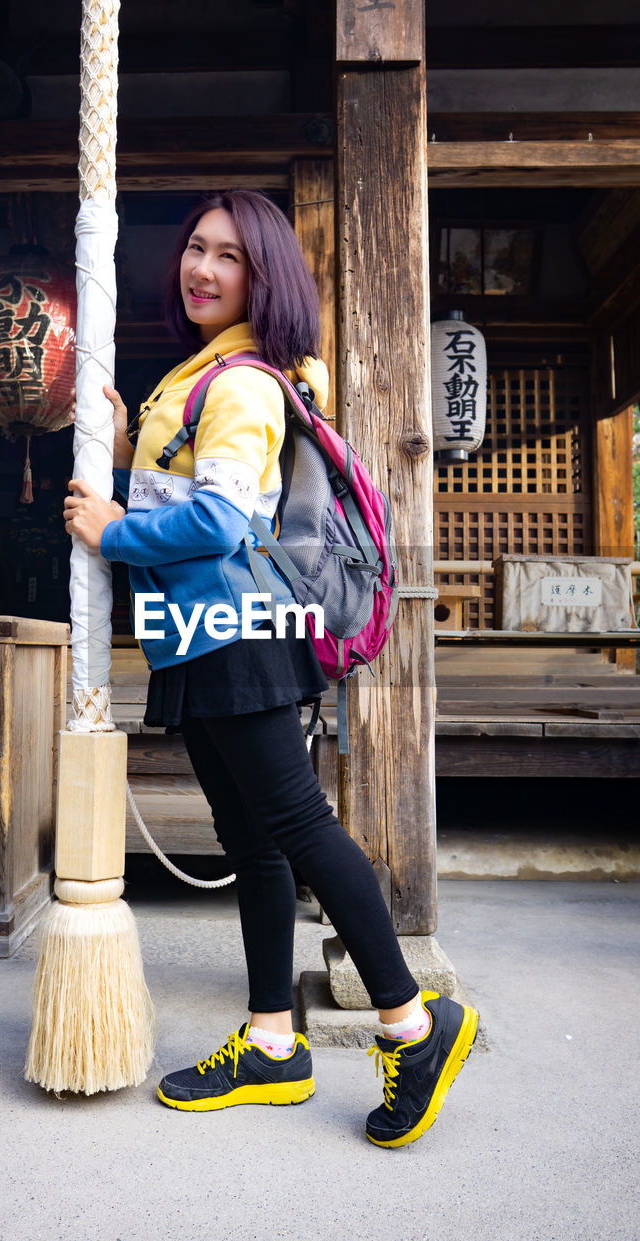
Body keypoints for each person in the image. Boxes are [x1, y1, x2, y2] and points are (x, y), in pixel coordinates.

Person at [63, 189, 478, 1148]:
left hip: (237, 630)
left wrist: (117, 529)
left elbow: (220, 522)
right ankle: (271, 1043)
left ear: (264, 277)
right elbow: (200, 489)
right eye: (195, 249)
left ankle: (411, 1023)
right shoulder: (206, 376)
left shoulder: (242, 382)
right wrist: (130, 454)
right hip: (203, 631)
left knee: (295, 825)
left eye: (229, 257)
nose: (201, 269)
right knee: (250, 839)